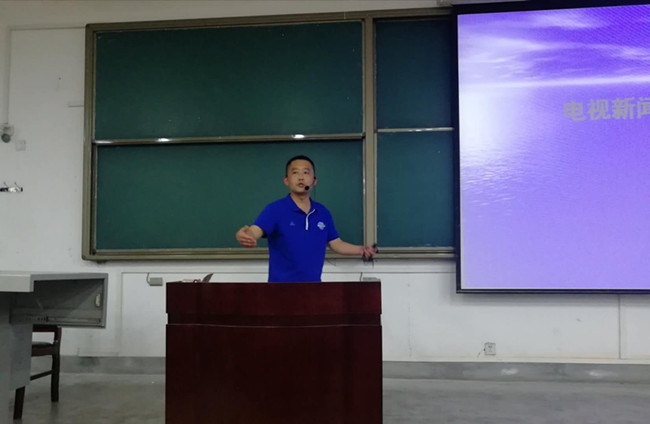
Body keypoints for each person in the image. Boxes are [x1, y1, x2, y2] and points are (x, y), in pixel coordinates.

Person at [236, 155, 376, 282]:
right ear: (286, 180)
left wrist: (361, 250)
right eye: (295, 173)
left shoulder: (322, 212)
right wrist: (246, 234)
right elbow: (256, 230)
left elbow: (336, 244)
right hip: (280, 291)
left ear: (314, 181)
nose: (301, 177)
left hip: (313, 290)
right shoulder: (275, 209)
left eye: (306, 172)